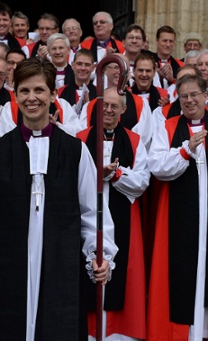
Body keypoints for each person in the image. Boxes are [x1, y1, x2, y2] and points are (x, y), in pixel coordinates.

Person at [0, 57, 117, 341]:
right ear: (15, 94)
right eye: (24, 91)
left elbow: (93, 211)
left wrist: (100, 253)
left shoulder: (75, 152)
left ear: (53, 94)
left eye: (39, 90)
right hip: (9, 269)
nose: (31, 98)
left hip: (61, 265)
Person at [146, 73, 208, 340]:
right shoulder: (167, 126)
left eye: (194, 95)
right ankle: (182, 333)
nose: (189, 100)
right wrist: (184, 151)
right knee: (180, 269)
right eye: (184, 96)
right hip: (178, 216)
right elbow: (156, 166)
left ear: (206, 95)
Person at [77, 87, 150, 341]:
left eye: (114, 106)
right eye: (104, 105)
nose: (108, 110)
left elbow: (141, 181)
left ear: (123, 110)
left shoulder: (134, 140)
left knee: (121, 277)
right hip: (88, 216)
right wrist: (96, 173)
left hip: (123, 219)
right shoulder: (80, 137)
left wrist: (115, 174)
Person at [58, 48, 96, 114]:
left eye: (87, 65)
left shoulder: (100, 93)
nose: (83, 68)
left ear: (93, 68)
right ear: (72, 65)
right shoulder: (60, 92)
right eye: (79, 64)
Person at [150, 25, 184, 90]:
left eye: (171, 41)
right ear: (157, 41)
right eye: (165, 41)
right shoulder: (148, 62)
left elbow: (183, 89)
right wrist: (156, 77)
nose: (168, 45)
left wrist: (171, 81)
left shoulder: (181, 65)